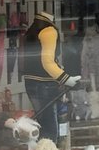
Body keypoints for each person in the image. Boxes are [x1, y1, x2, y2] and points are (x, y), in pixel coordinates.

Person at [22, 11, 80, 142]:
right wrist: (66, 79)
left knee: (42, 124)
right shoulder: (48, 30)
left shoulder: (32, 29)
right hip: (44, 84)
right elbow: (47, 62)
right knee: (50, 128)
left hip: (31, 82)